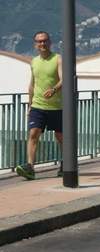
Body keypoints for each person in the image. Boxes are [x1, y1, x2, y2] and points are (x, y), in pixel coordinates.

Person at [16, 31, 63, 180]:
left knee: (61, 136)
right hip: (38, 105)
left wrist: (54, 89)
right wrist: (30, 105)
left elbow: (65, 79)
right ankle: (30, 168)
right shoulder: (33, 61)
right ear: (35, 44)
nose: (42, 43)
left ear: (50, 42)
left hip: (57, 106)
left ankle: (66, 165)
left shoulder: (58, 59)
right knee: (33, 133)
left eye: (45, 41)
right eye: (39, 41)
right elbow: (32, 84)